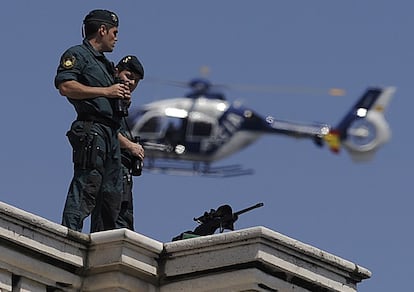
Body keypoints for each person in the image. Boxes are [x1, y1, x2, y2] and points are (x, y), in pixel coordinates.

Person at [54, 9, 131, 232]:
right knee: (88, 182)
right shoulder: (78, 55)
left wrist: (121, 95)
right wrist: (107, 91)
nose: (116, 38)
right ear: (102, 30)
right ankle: (69, 236)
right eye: (114, 32)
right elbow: (66, 87)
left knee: (111, 194)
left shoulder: (106, 65)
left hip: (111, 133)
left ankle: (103, 245)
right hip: (93, 130)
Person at [91, 55, 145, 232]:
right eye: (128, 76)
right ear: (117, 71)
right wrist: (131, 146)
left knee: (124, 225)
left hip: (123, 174)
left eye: (135, 81)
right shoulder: (108, 95)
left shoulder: (122, 104)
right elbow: (106, 129)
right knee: (107, 223)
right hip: (111, 169)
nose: (131, 83)